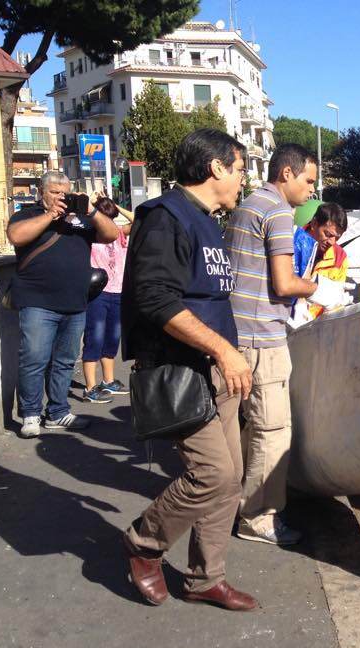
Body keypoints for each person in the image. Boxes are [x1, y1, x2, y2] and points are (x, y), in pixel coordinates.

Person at [121, 129, 257, 611]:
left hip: (218, 372)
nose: (243, 179)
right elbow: (155, 298)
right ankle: (144, 543)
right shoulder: (164, 217)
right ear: (216, 167)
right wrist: (224, 350)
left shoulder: (205, 220)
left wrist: (229, 358)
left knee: (231, 479)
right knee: (213, 475)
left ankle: (205, 578)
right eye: (239, 169)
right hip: (184, 371)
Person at [226, 143, 320, 545]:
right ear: (287, 174)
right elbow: (284, 283)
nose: (312, 190)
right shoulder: (280, 212)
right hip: (262, 337)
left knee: (251, 428)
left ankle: (244, 501)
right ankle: (258, 515)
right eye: (309, 180)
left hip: (241, 333)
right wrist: (318, 288)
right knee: (273, 429)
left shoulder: (248, 205)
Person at [6, 171, 121, 438]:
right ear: (41, 193)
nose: (60, 197)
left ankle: (58, 412)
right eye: (54, 192)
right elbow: (15, 236)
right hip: (37, 302)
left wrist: (91, 210)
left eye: (64, 192)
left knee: (65, 361)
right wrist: (50, 216)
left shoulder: (80, 218)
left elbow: (111, 233)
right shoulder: (28, 214)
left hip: (75, 302)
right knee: (34, 360)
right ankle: (31, 414)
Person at [81, 196, 131, 403]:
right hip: (98, 293)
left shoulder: (119, 234)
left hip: (119, 292)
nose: (110, 222)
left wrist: (114, 204)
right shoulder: (90, 235)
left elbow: (139, 220)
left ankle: (108, 381)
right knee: (95, 337)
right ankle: (90, 386)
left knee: (113, 338)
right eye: (107, 217)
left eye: (113, 217)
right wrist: (92, 207)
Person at [299, 202, 348, 321]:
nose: (332, 242)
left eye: (337, 238)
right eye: (328, 234)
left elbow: (335, 303)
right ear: (314, 223)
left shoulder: (340, 257)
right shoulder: (292, 243)